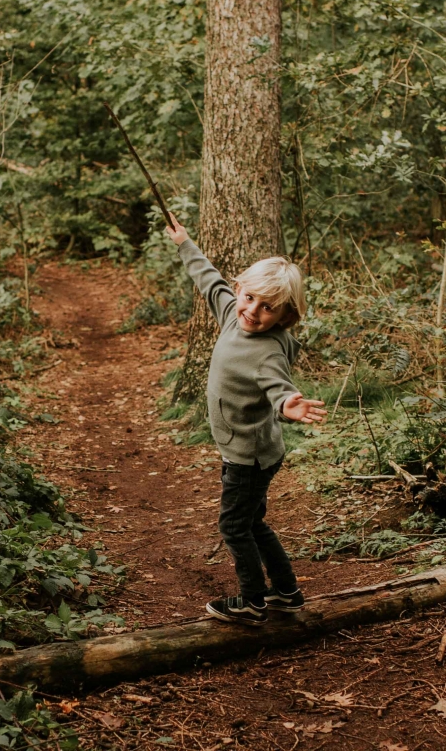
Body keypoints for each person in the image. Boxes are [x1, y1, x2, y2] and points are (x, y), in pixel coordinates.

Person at [165, 213, 326, 625]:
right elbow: (209, 281)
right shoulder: (232, 313)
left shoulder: (268, 351)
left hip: (249, 457)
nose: (253, 311)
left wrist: (289, 403)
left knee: (235, 526)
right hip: (249, 450)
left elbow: (278, 386)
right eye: (249, 297)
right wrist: (185, 242)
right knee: (253, 522)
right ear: (240, 290)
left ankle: (252, 601)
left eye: (267, 307)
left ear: (284, 315)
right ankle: (288, 593)